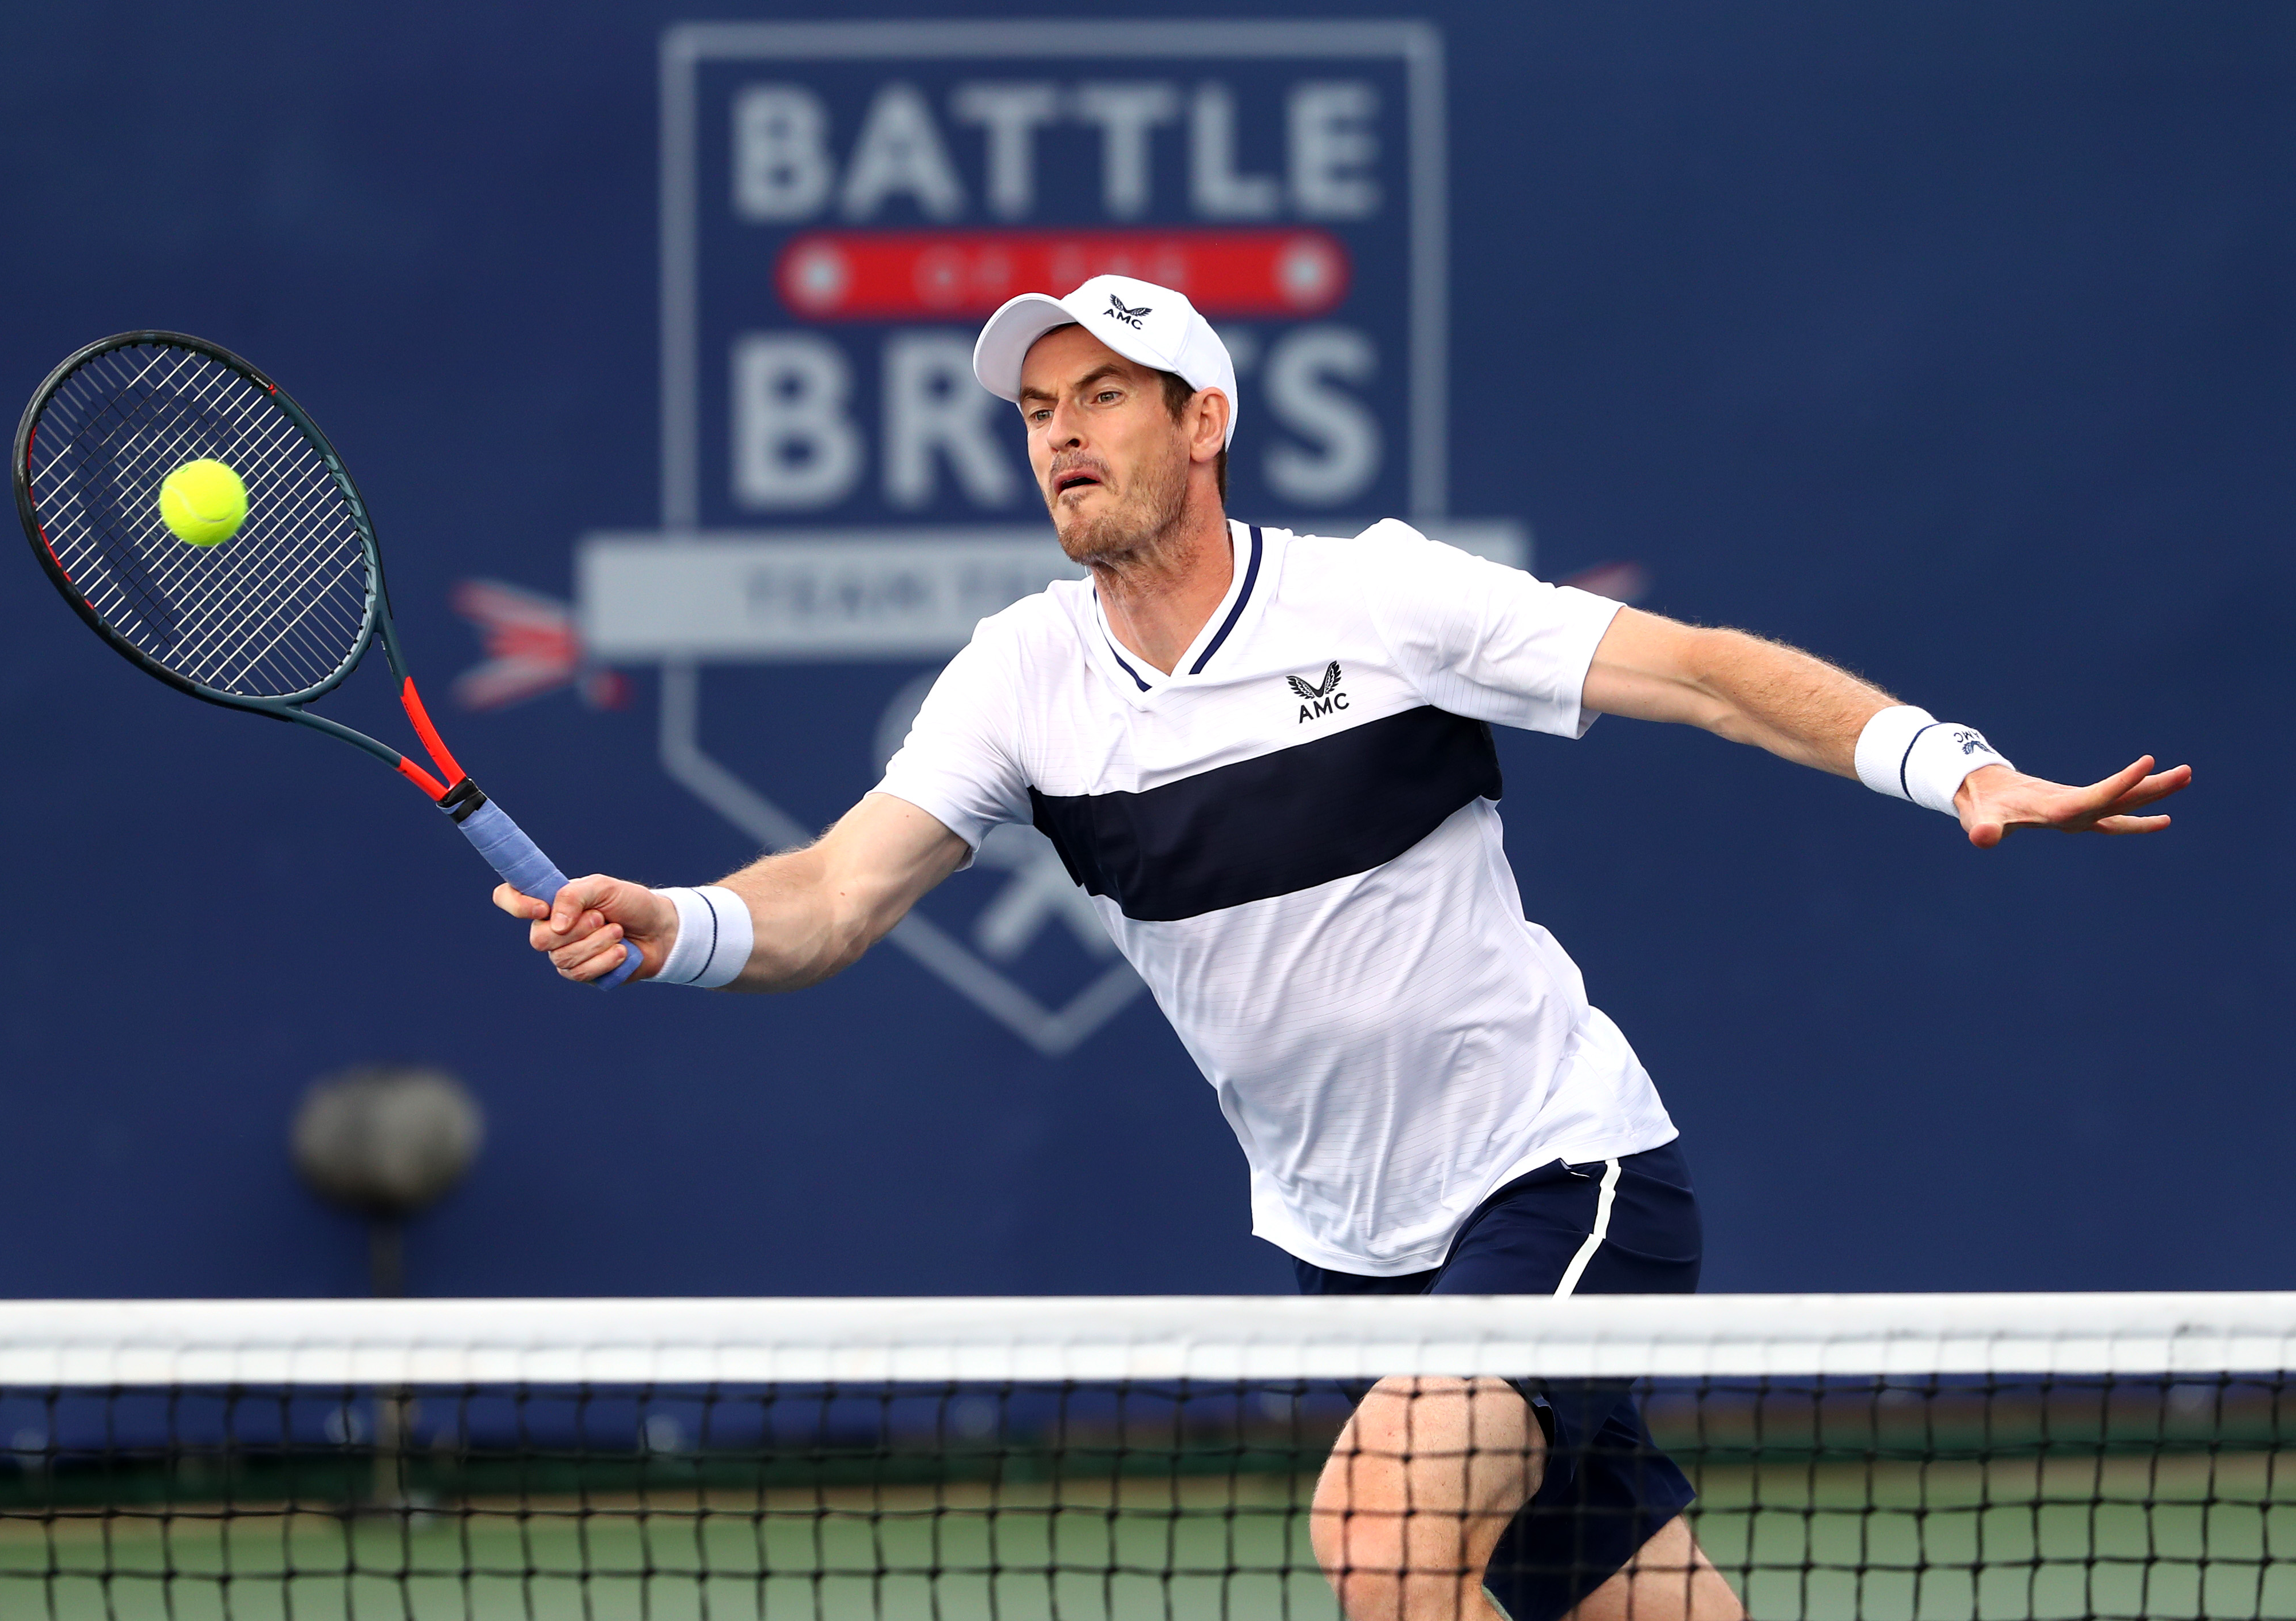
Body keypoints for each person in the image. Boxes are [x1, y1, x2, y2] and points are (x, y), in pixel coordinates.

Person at [496, 276, 2188, 1621]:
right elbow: (833, 899)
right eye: (1035, 410)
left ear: (1204, 420)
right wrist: (679, 927)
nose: (1060, 433)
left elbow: (1701, 673)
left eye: (1102, 396)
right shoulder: (1020, 677)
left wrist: (1953, 765)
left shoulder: (1380, 602)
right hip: (1355, 1254)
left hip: (1557, 1175)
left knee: (1380, 1534)